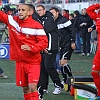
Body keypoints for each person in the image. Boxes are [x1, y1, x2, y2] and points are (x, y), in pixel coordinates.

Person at [0, 3, 48, 100]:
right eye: (19, 10)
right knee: (25, 89)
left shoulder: (36, 25)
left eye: (23, 10)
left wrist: (31, 48)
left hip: (33, 61)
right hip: (20, 61)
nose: (20, 12)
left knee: (33, 86)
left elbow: (44, 42)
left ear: (29, 12)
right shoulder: (12, 21)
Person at [35, 4, 63, 99]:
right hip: (43, 47)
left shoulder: (49, 19)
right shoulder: (42, 19)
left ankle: (58, 85)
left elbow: (43, 30)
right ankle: (44, 87)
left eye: (40, 10)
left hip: (51, 47)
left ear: (44, 10)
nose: (38, 12)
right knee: (42, 67)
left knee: (49, 66)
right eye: (37, 10)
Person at [50, 7, 76, 90]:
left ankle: (70, 79)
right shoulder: (53, 22)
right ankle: (67, 80)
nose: (52, 14)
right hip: (61, 46)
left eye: (53, 12)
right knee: (61, 63)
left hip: (68, 45)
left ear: (57, 13)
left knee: (62, 62)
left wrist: (73, 41)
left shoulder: (64, 20)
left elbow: (72, 30)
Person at [86, 4, 100, 100]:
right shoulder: (98, 16)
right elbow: (89, 10)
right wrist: (98, 5)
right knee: (94, 73)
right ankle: (99, 93)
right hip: (99, 50)